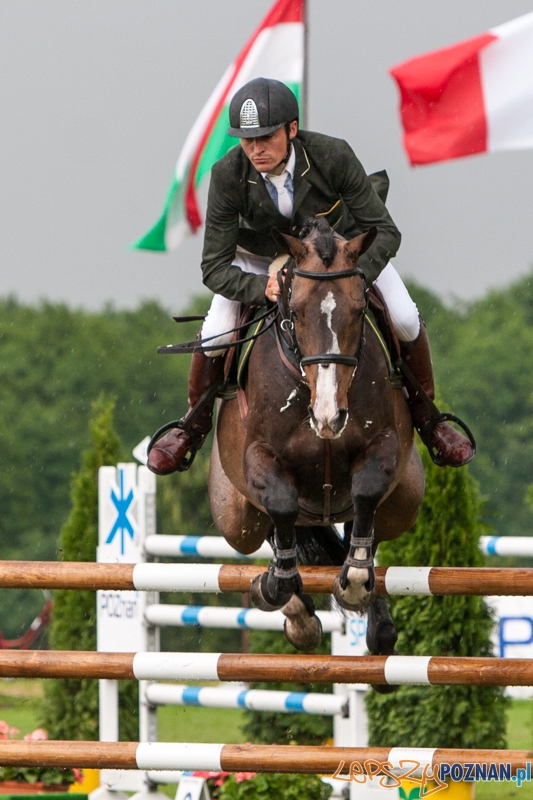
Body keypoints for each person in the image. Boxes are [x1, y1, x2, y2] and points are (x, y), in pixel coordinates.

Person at [148, 78, 474, 475]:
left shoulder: (332, 155)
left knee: (404, 317)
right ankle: (192, 428)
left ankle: (429, 419)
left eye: (265, 137)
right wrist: (260, 287)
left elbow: (386, 232)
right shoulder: (228, 173)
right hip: (262, 260)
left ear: (291, 129)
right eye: (247, 140)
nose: (255, 149)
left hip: (337, 256)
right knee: (216, 332)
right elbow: (213, 267)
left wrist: (352, 277)